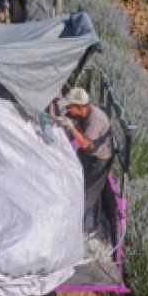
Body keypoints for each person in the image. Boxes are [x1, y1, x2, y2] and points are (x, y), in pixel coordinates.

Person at [58, 87, 113, 233]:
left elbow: (86, 144)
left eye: (70, 107)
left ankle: (75, 226)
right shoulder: (84, 113)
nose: (68, 110)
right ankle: (71, 208)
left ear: (79, 107)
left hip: (100, 158)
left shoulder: (95, 120)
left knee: (89, 192)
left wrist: (71, 128)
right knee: (77, 176)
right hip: (88, 153)